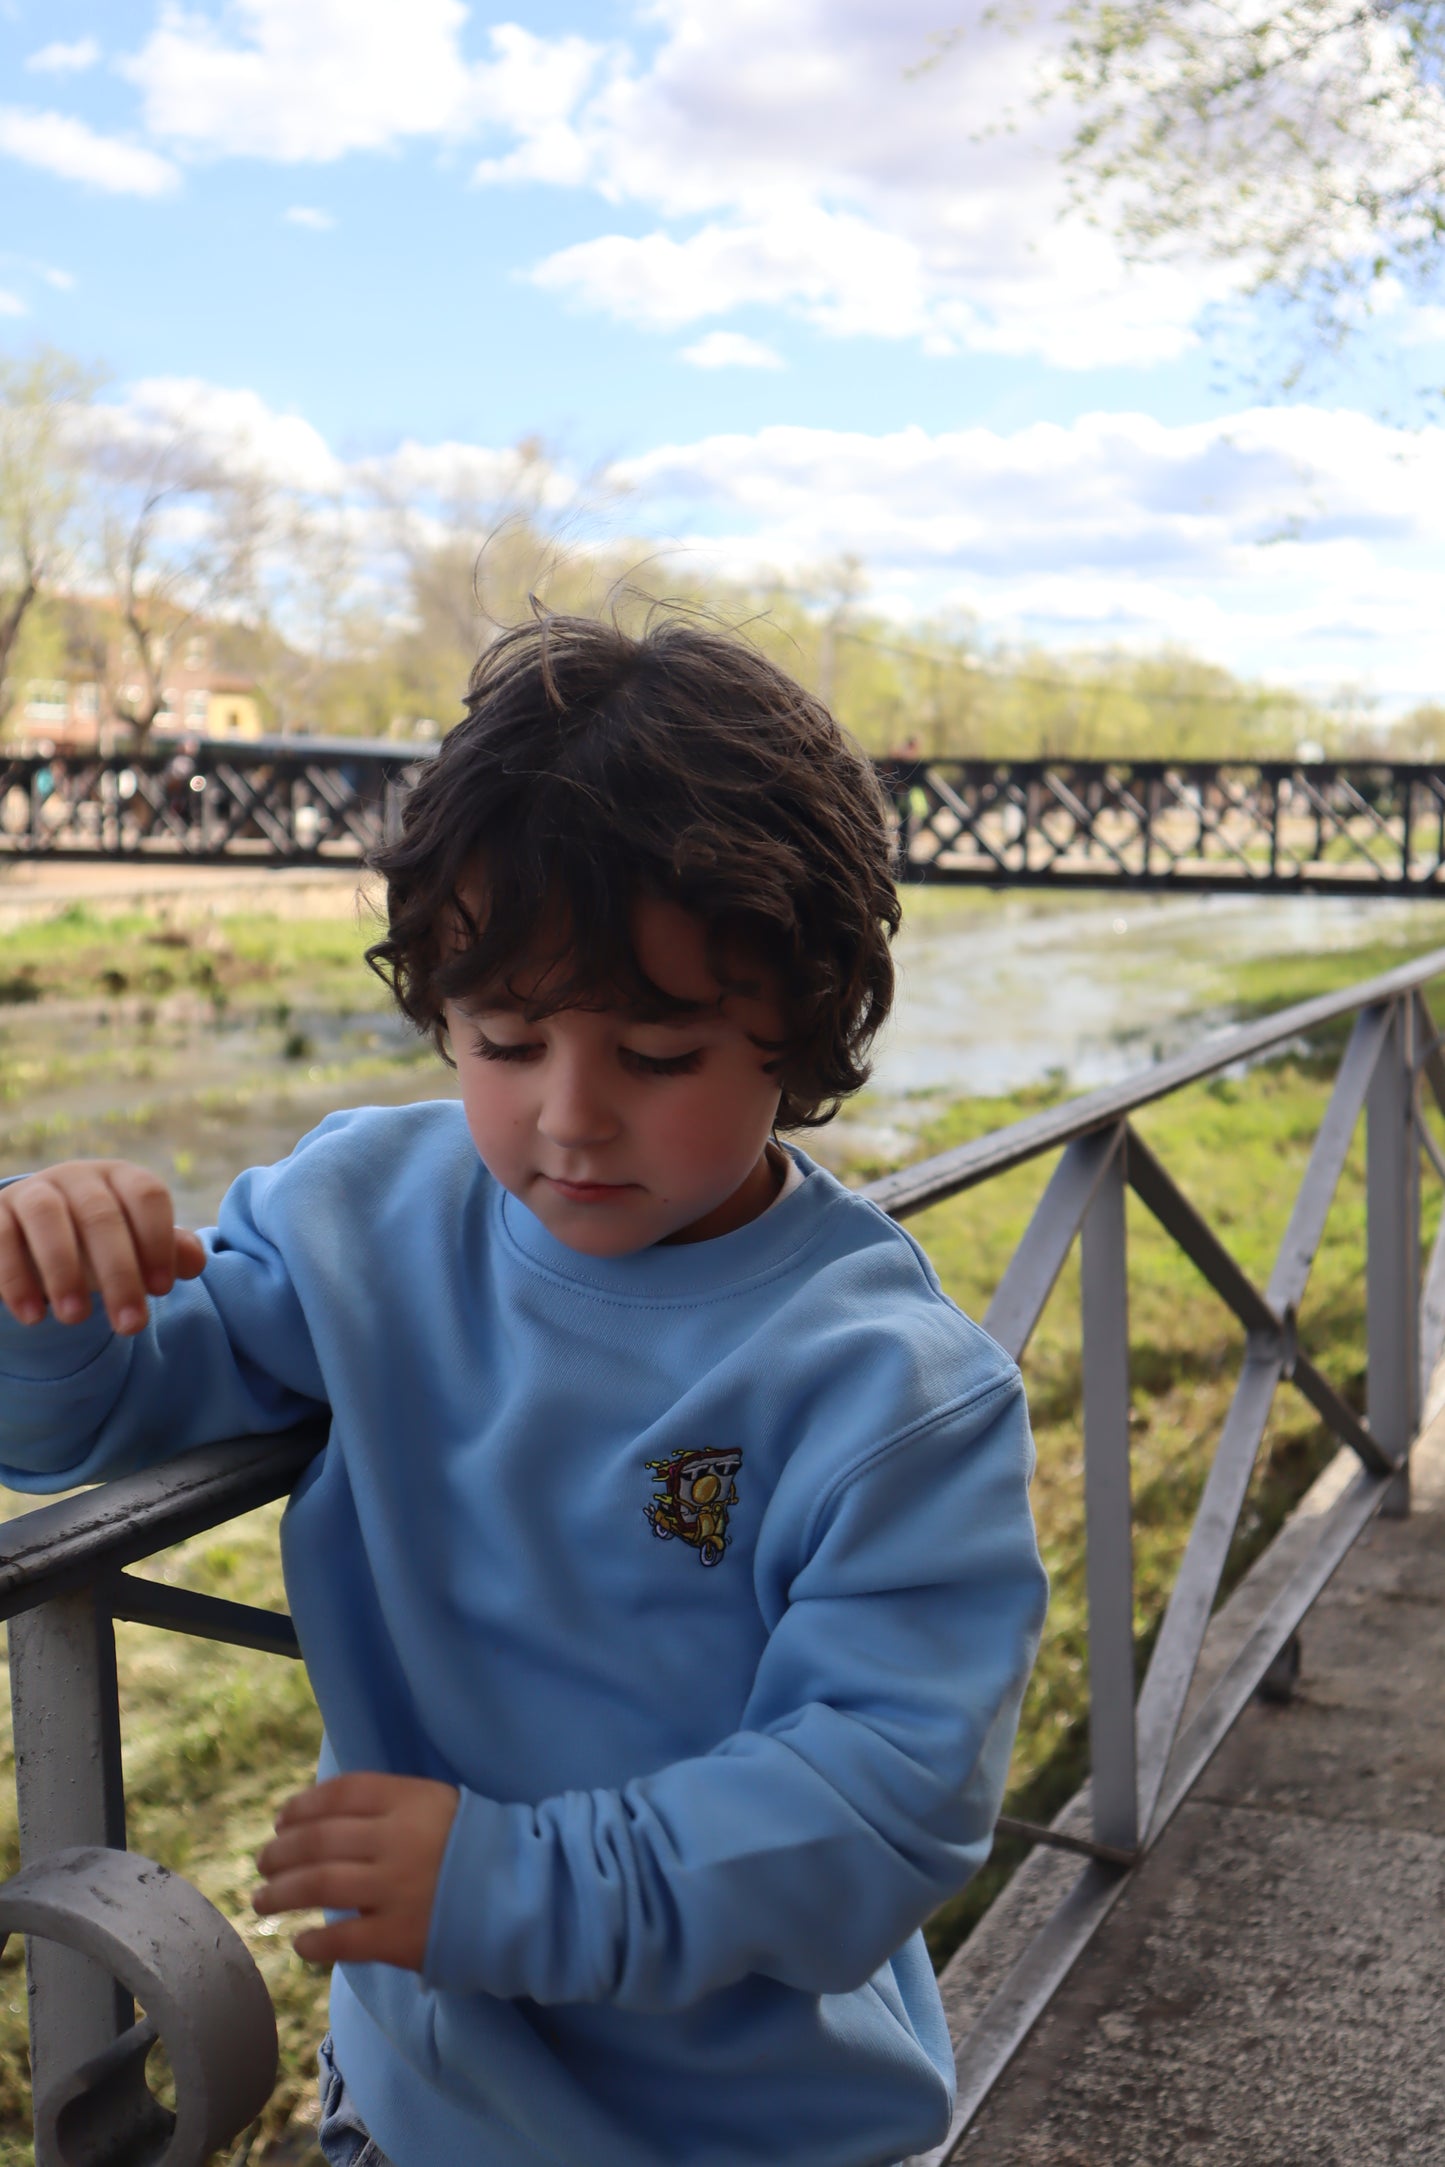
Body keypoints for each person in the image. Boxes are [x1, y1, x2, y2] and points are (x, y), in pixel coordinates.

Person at [0, 614, 1048, 2167]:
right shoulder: (365, 1215)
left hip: (752, 2134)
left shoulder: (889, 1389)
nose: (570, 1117)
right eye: (501, 1039)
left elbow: (883, 1803)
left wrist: (512, 1884)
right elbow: (76, 1428)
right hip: (413, 2103)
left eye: (659, 1053)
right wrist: (46, 1282)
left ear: (805, 1024)